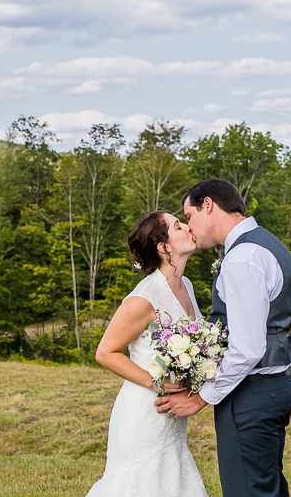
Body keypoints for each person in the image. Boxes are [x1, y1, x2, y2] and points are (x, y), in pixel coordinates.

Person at [156, 179, 291, 497]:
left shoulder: (243, 258)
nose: (190, 227)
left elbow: (247, 348)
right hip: (275, 386)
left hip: (251, 394)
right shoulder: (266, 243)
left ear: (208, 205)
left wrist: (201, 397)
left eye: (189, 216)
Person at [87, 211, 209, 497]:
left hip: (173, 420)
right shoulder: (145, 297)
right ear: (164, 247)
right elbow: (105, 353)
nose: (188, 227)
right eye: (178, 226)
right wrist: (155, 383)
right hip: (144, 414)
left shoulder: (186, 285)